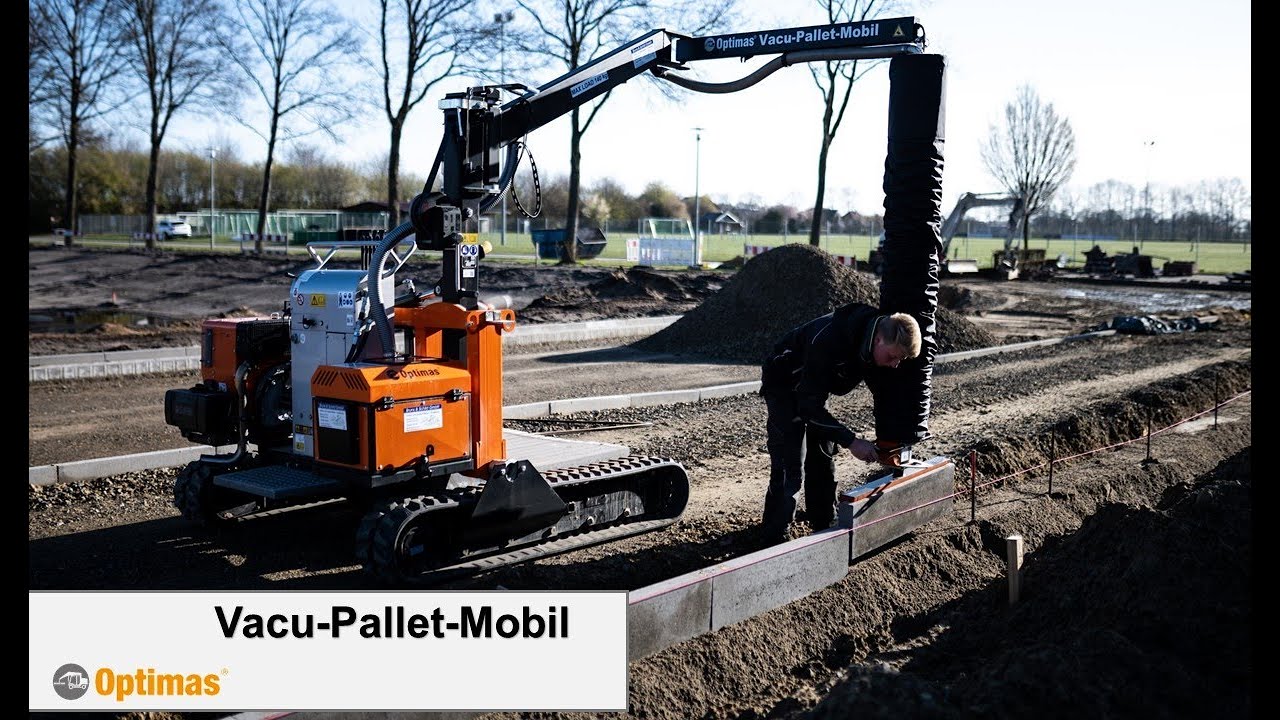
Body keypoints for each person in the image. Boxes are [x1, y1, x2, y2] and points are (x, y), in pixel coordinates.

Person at [758, 303, 922, 543]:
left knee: (823, 450)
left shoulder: (873, 344)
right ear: (878, 340)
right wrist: (852, 441)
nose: (894, 364)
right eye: (893, 357)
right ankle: (774, 535)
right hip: (784, 382)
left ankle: (824, 521)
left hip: (814, 388)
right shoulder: (829, 340)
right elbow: (808, 408)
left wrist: (893, 440)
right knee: (790, 459)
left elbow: (885, 396)